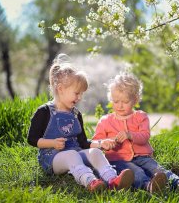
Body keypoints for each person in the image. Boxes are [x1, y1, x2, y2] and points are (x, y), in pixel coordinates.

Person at [27, 54, 134, 192]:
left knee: (94, 152)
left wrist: (101, 144)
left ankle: (113, 180)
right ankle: (91, 182)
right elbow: (32, 139)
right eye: (76, 93)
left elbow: (83, 143)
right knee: (72, 155)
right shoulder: (44, 112)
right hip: (52, 158)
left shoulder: (76, 114)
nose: (79, 98)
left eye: (81, 94)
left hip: (76, 153)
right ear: (60, 89)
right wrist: (52, 143)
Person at [93, 72, 179, 193]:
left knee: (157, 169)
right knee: (137, 172)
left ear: (135, 99)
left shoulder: (140, 116)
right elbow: (96, 142)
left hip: (142, 157)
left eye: (125, 102)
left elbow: (145, 136)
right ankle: (149, 186)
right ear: (111, 99)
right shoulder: (105, 121)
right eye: (116, 101)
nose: (120, 106)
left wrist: (129, 135)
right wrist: (104, 143)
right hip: (119, 160)